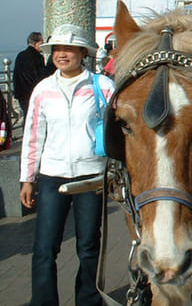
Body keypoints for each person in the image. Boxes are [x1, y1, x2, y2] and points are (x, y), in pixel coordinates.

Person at [19, 24, 115, 306]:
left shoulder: (102, 86)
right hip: (52, 177)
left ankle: (88, 299)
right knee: (45, 248)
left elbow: (118, 130)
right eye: (57, 49)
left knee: (88, 247)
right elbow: (33, 135)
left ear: (82, 52)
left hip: (91, 177)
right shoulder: (43, 89)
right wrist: (28, 178)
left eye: (69, 49)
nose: (62, 54)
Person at [13, 32, 48, 118]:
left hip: (21, 93)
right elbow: (40, 77)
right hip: (32, 93)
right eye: (42, 42)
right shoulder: (38, 57)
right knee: (35, 117)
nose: (43, 44)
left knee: (27, 116)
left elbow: (16, 75)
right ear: (36, 43)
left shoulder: (20, 55)